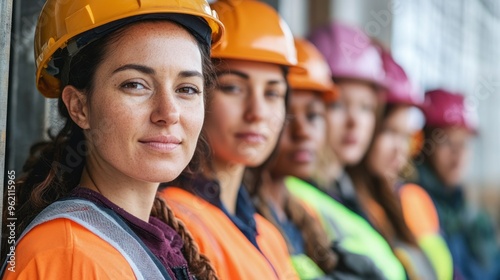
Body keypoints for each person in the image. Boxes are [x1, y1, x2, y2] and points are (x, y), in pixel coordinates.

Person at [1, 0, 224, 279]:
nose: (168, 113)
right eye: (135, 85)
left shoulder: (144, 239)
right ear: (79, 107)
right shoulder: (68, 255)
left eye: (187, 89)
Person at [160, 0, 299, 279]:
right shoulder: (175, 220)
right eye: (233, 88)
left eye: (272, 93)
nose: (257, 113)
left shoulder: (268, 234)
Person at [286, 22, 406, 280]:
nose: (355, 122)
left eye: (365, 108)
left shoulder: (352, 190)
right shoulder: (288, 196)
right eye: (339, 105)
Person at [349, 49, 453, 280]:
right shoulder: (345, 203)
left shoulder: (402, 201)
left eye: (406, 136)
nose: (400, 149)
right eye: (389, 132)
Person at [412, 89, 500, 280]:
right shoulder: (413, 202)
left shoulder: (467, 212)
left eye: (464, 143)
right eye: (447, 142)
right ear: (423, 143)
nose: (457, 154)